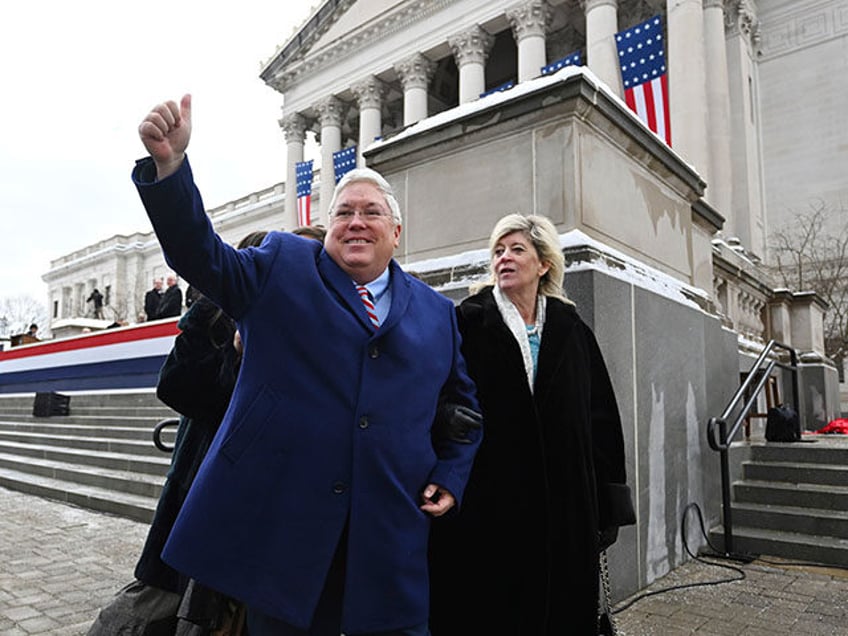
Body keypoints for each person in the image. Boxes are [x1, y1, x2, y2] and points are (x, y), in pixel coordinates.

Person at [132, 94, 481, 636]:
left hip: (390, 548)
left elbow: (462, 410)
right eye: (343, 212)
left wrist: (452, 474)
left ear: (397, 232)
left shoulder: (439, 314)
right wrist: (171, 167)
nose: (356, 222)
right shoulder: (282, 266)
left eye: (371, 212)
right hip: (288, 550)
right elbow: (201, 254)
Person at [428, 213, 635, 635]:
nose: (504, 258)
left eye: (517, 249)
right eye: (498, 251)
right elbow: (441, 402)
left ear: (543, 264)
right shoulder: (467, 322)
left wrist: (606, 501)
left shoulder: (572, 328)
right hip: (491, 505)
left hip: (566, 510)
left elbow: (601, 418)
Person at [87, 231, 268, 636]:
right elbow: (176, 385)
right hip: (201, 488)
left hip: (259, 505)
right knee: (164, 603)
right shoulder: (214, 315)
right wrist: (236, 354)